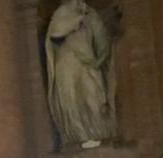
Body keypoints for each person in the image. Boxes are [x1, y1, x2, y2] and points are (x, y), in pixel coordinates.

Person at [44, 0, 118, 148]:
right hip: (65, 63)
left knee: (93, 97)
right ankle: (77, 136)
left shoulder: (91, 15)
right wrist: (75, 21)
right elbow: (55, 33)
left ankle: (99, 134)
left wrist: (99, 60)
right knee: (70, 99)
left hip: (88, 63)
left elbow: (102, 40)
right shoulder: (61, 13)